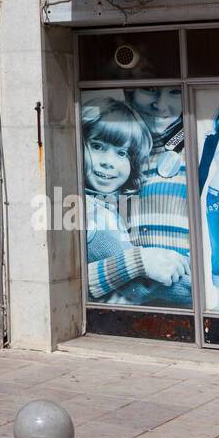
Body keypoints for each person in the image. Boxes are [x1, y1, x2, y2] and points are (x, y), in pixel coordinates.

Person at [83, 100, 190, 304]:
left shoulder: (106, 208)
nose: (108, 161)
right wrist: (203, 291)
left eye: (121, 153)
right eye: (97, 146)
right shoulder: (91, 213)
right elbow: (140, 286)